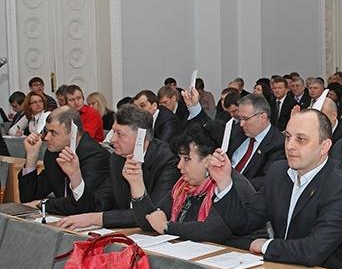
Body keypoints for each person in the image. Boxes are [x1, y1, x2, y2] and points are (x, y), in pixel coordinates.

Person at [208, 108, 342, 269]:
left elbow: (313, 251)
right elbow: (244, 222)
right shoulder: (278, 172)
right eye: (288, 137)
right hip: (282, 268)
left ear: (324, 147)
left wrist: (266, 246)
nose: (290, 146)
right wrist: (224, 181)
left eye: (301, 139)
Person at [131, 123, 267, 249]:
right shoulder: (182, 186)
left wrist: (167, 227)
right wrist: (136, 183)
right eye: (179, 158)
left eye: (186, 159)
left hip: (242, 257)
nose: (179, 165)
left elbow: (212, 231)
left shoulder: (230, 185)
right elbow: (151, 222)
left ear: (208, 161)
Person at [55, 105, 180, 230]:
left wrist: (94, 219)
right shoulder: (117, 159)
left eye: (119, 134)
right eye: (113, 131)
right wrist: (75, 175)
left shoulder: (167, 160)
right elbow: (99, 205)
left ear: (141, 136)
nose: (112, 139)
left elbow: (153, 214)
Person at [18, 106, 110, 215]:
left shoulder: (96, 156)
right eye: (46, 131)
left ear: (73, 133)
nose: (46, 138)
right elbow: (28, 199)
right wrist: (31, 158)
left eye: (53, 133)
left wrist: (44, 204)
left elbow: (81, 203)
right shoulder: (53, 154)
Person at [226, 93, 286, 190]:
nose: (241, 124)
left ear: (262, 117)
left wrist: (230, 184)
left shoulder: (278, 143)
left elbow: (266, 180)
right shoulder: (238, 131)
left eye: (245, 119)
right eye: (240, 119)